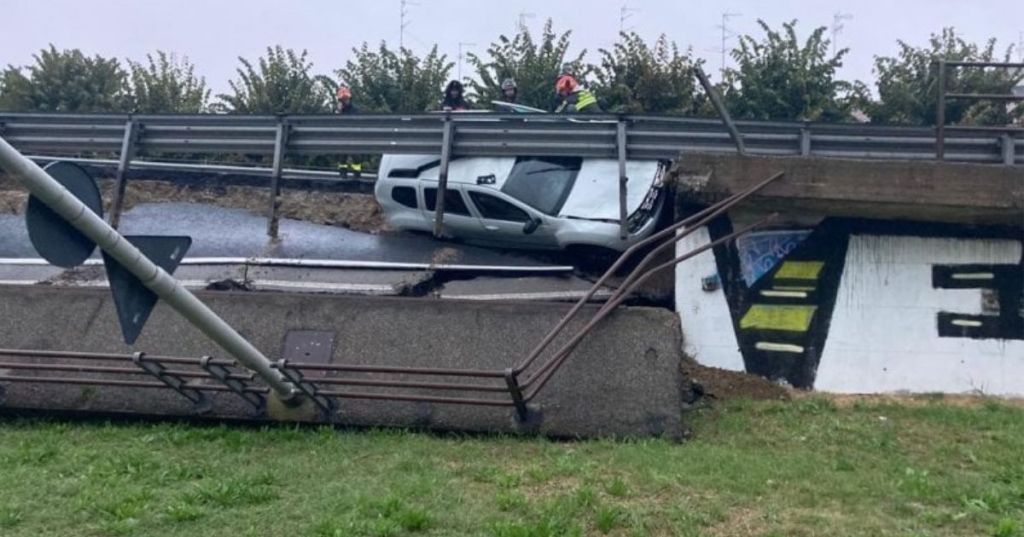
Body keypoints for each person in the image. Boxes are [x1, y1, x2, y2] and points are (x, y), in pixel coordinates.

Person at [334, 85, 363, 177]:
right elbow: (334, 124)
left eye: (346, 99)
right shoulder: (338, 111)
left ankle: (357, 176)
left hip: (354, 137)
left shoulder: (355, 110)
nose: (344, 101)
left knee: (356, 157)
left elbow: (357, 123)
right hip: (342, 138)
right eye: (342, 100)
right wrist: (338, 112)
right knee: (342, 157)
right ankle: (342, 175)